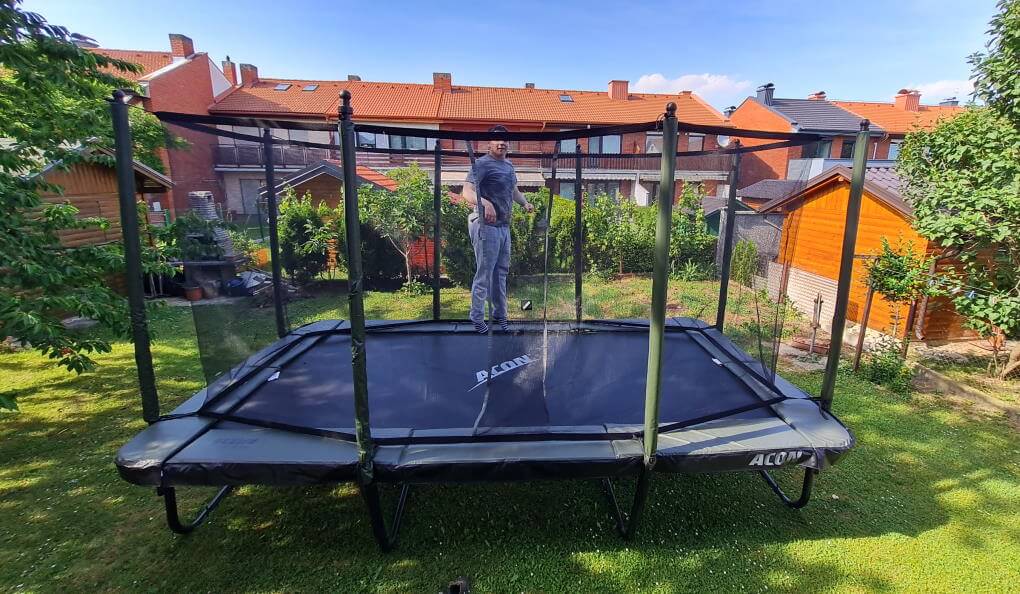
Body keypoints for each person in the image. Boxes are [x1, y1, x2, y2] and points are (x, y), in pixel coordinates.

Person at [462, 125, 534, 333]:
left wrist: (525, 203)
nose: (501, 143)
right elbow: (467, 191)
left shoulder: (509, 166)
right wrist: (485, 203)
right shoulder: (482, 164)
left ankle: (500, 315)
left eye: (504, 140)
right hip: (486, 226)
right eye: (497, 140)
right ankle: (476, 318)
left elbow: (513, 190)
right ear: (489, 144)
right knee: (484, 273)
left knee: (500, 273)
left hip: (503, 227)